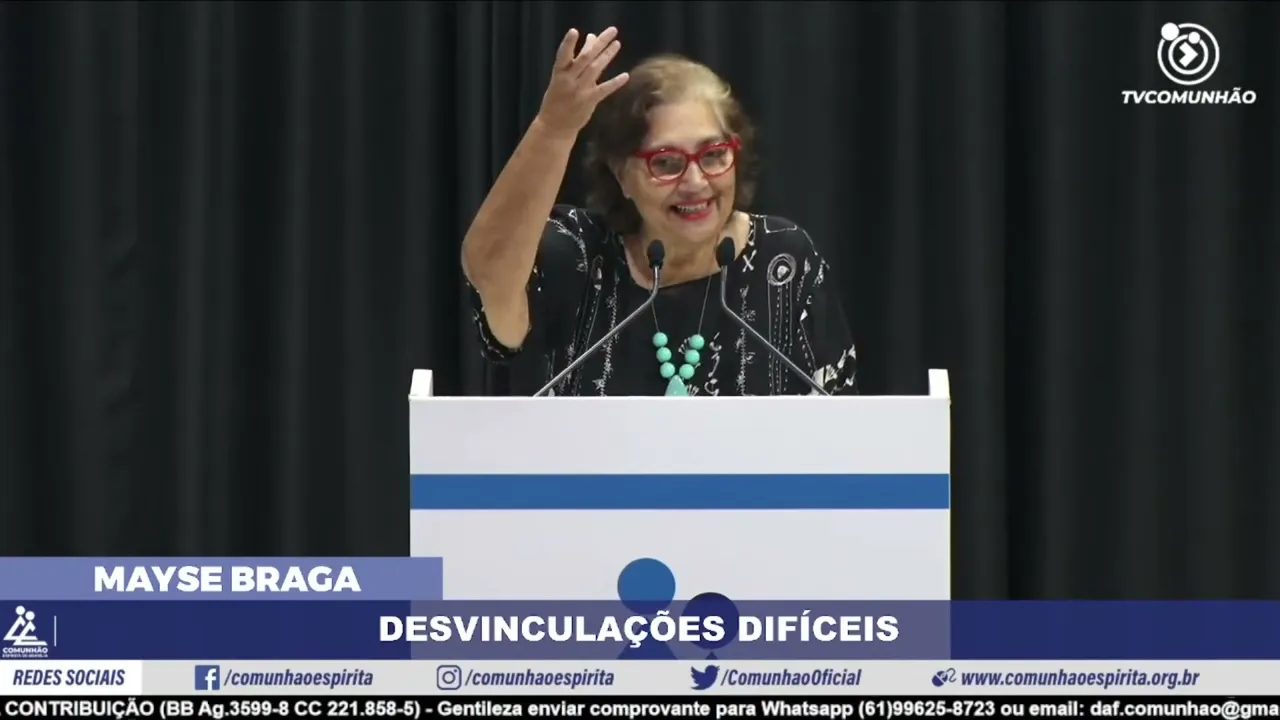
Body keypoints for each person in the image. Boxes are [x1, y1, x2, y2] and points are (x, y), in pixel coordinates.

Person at [461, 27, 858, 397]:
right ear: (621, 174)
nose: (696, 182)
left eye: (713, 155)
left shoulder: (784, 263)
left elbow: (840, 424)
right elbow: (487, 272)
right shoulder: (582, 255)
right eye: (666, 163)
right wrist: (553, 129)